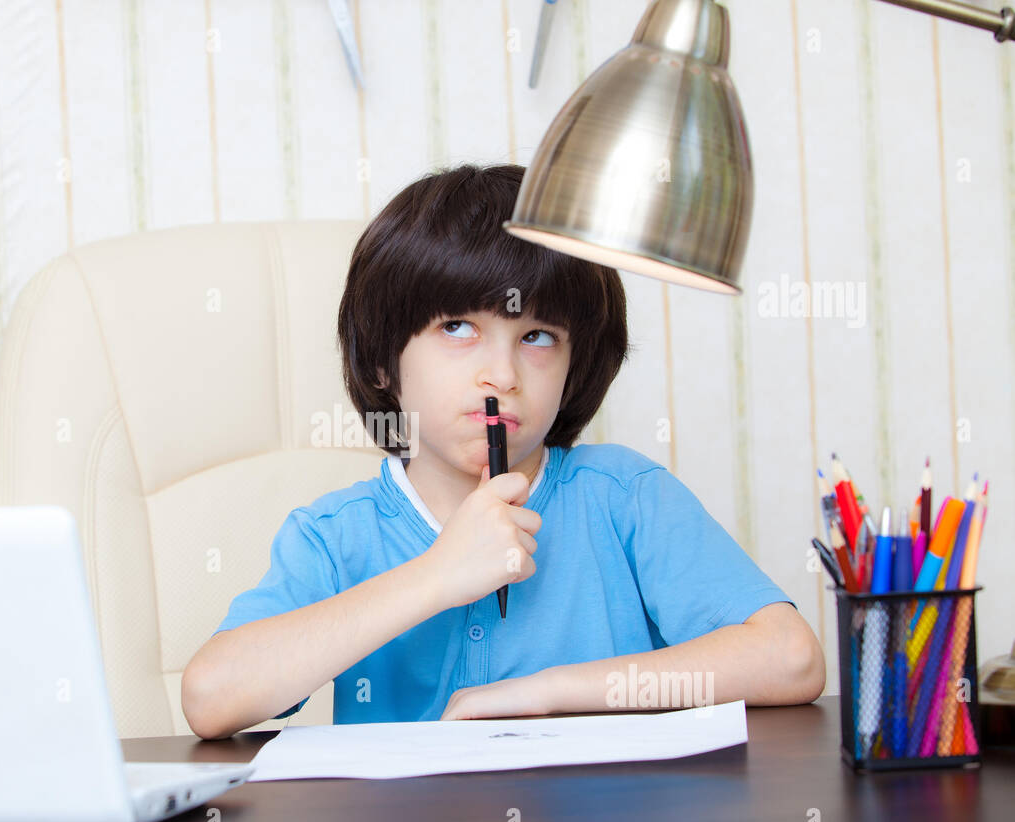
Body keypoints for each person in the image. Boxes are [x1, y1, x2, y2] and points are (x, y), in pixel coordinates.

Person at [182, 162, 824, 740]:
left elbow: (790, 658)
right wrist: (439, 573)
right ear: (383, 359)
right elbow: (212, 699)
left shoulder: (624, 496)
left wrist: (548, 695)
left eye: (538, 336)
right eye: (457, 328)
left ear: (574, 367)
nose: (502, 374)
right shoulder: (333, 536)